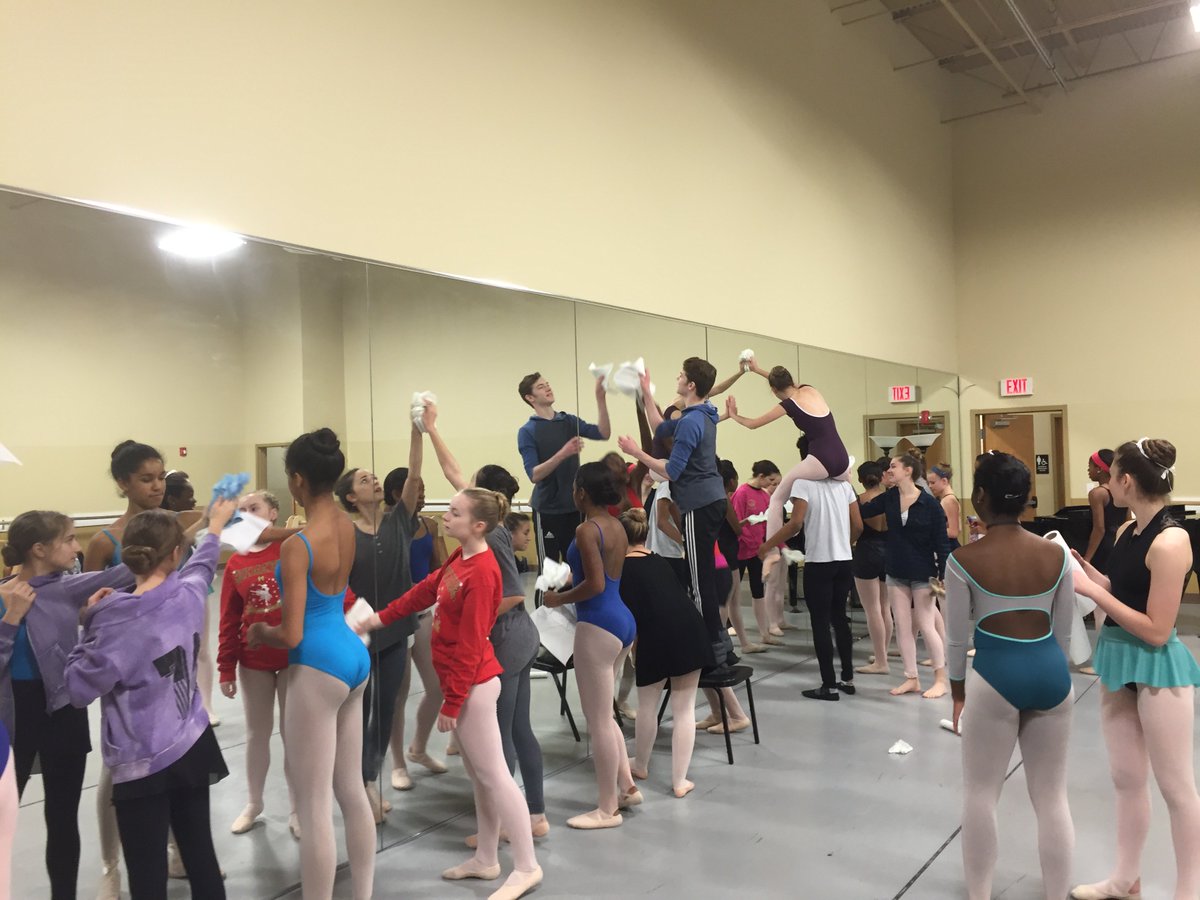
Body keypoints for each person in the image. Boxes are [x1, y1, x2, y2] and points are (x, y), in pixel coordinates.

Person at [357, 488, 543, 900]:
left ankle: (527, 865)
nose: (447, 516)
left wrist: (453, 701)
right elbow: (426, 590)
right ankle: (488, 858)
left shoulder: (484, 571)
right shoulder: (461, 559)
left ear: (478, 525)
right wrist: (380, 618)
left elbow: (474, 643)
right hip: (469, 685)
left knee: (495, 775)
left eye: (455, 513)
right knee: (481, 776)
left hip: (475, 686)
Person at [65, 499, 237, 900]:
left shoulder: (114, 620)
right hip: (193, 745)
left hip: (141, 763)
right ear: (176, 553)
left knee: (146, 875)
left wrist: (89, 621)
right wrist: (214, 527)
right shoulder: (191, 594)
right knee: (201, 858)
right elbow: (204, 562)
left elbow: (78, 689)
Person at [246, 428, 374, 900]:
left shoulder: (298, 545)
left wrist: (261, 632)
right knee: (353, 791)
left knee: (314, 802)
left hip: (317, 664)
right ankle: (361, 893)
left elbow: (292, 633)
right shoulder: (348, 525)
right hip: (352, 654)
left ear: (297, 480)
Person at [1070, 439, 1200, 900]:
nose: (1104, 482)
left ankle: (1189, 891)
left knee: (1177, 789)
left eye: (1110, 475)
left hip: (1157, 667)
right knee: (1126, 779)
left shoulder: (1171, 541)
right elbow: (1118, 588)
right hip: (1118, 658)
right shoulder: (1128, 530)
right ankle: (1125, 879)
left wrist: (1096, 593)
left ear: (1125, 481)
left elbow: (1158, 629)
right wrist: (1084, 570)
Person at [945, 452, 1075, 900]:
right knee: (1053, 797)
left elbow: (957, 641)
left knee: (981, 794)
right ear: (1024, 499)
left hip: (995, 677)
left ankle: (980, 894)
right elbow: (1062, 632)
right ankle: (1057, 894)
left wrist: (957, 692)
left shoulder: (963, 559)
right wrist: (1054, 675)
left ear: (980, 496)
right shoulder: (1056, 556)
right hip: (1051, 676)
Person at [422, 403, 548, 842]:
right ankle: (534, 813)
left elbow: (512, 593)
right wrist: (432, 429)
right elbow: (454, 470)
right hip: (519, 637)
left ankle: (503, 824)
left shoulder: (489, 535)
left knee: (504, 734)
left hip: (510, 639)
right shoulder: (488, 524)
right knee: (518, 728)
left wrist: (465, 616)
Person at [0, 512, 135, 899]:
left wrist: (203, 525)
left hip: (62, 713)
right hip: (14, 717)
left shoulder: (67, 588)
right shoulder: (5, 595)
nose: (79, 547)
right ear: (39, 549)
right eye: (70, 540)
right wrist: (10, 619)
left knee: (62, 817)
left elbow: (130, 570)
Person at [333, 421, 424, 817]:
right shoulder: (345, 534)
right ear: (351, 496)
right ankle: (356, 784)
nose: (373, 482)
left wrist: (417, 431)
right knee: (359, 712)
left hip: (395, 632)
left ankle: (370, 776)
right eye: (364, 480)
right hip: (358, 636)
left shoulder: (398, 521)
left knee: (386, 708)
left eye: (374, 478)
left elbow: (415, 474)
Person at [544, 462, 640, 829]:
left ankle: (606, 808)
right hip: (621, 619)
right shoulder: (616, 524)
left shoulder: (586, 529)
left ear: (581, 492)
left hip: (598, 622)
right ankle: (627, 786)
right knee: (605, 713)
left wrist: (559, 598)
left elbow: (595, 584)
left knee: (598, 720)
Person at [618, 357, 731, 667]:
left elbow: (673, 470)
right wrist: (646, 393)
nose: (677, 378)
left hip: (699, 502)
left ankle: (711, 647)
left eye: (681, 375)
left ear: (691, 385)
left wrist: (636, 453)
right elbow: (661, 428)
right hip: (709, 499)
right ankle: (719, 643)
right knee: (702, 575)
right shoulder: (701, 413)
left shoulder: (693, 420)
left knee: (697, 579)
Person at [216, 491, 298, 838]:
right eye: (242, 510)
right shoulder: (236, 562)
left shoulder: (290, 549)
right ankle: (254, 801)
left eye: (255, 509)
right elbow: (228, 618)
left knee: (295, 735)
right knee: (257, 734)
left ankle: (298, 807)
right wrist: (225, 667)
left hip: (294, 655)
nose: (247, 514)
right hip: (254, 660)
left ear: (274, 513)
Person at [724, 358, 852, 577]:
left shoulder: (788, 405)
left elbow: (753, 424)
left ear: (773, 390)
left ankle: (772, 551)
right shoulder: (809, 389)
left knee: (776, 499)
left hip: (820, 458)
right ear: (792, 381)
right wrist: (757, 370)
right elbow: (782, 383)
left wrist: (733, 415)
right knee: (846, 496)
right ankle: (846, 543)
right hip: (842, 458)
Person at [618, 508, 713, 797]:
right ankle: (679, 780)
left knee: (647, 706)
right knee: (684, 710)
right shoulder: (659, 561)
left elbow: (629, 614)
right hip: (690, 632)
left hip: (654, 637)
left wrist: (632, 649)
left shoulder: (620, 568)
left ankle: (642, 764)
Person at [760, 475, 862, 700]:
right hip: (843, 560)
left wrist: (767, 544)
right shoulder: (844, 485)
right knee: (840, 618)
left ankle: (829, 685)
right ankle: (847, 679)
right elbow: (858, 525)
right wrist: (843, 545)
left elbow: (795, 523)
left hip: (819, 562)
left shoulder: (803, 484)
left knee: (820, 623)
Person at [382, 463, 451, 791]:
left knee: (438, 686)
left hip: (425, 614)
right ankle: (396, 763)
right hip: (396, 618)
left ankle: (418, 748)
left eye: (423, 489)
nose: (422, 494)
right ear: (398, 494)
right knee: (398, 695)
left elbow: (440, 568)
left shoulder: (429, 525)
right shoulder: (384, 528)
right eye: (416, 490)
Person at [860, 455, 950, 699]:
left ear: (908, 471)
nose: (889, 470)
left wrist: (942, 573)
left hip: (923, 571)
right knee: (902, 625)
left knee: (926, 623)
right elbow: (862, 509)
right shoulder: (889, 498)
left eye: (893, 467)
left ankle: (941, 678)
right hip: (896, 570)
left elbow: (942, 543)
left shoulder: (929, 504)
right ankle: (912, 678)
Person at [516, 371, 610, 570]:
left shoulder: (568, 421)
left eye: (547, 384)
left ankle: (575, 602)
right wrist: (563, 453)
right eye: (541, 387)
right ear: (530, 398)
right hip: (547, 510)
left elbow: (603, 433)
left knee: (577, 564)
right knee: (549, 570)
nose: (548, 388)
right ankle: (546, 602)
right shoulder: (527, 431)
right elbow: (534, 474)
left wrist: (600, 398)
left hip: (574, 507)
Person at [730, 460, 781, 650]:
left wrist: (770, 545)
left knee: (758, 590)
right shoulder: (742, 492)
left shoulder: (764, 496)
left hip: (756, 550)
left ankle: (764, 633)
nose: (771, 485)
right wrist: (752, 543)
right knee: (733, 594)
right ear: (760, 476)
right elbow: (737, 523)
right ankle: (735, 633)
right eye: (770, 480)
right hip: (741, 549)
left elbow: (768, 522)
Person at [852, 461, 894, 676]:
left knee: (872, 609)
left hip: (867, 551)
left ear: (861, 479)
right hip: (890, 551)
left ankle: (880, 660)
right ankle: (882, 654)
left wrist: (850, 542)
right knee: (885, 607)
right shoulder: (892, 498)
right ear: (882, 476)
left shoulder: (858, 500)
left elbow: (857, 527)